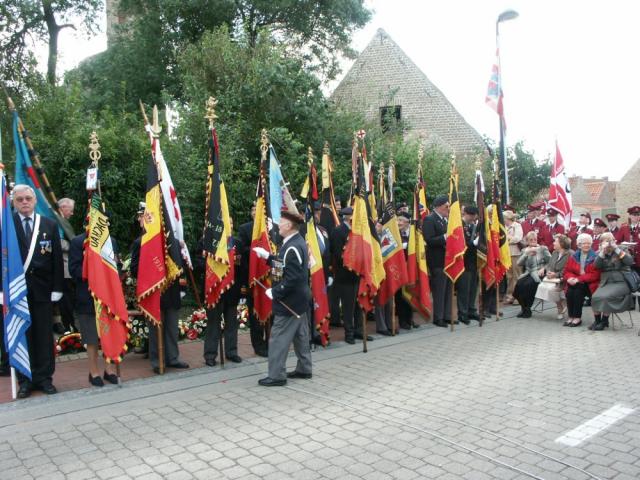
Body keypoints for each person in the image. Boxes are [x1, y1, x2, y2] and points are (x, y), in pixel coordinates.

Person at [12, 184, 64, 398]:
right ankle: (25, 381)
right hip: (17, 292)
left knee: (43, 335)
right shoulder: (6, 225)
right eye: (19, 199)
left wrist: (57, 288)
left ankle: (44, 378)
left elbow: (57, 259)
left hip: (43, 290)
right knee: (23, 336)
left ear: (34, 200)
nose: (24, 202)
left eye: (28, 198)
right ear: (13, 202)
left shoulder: (49, 225)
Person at [254, 210, 312, 387]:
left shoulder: (292, 247)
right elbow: (283, 265)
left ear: (288, 225)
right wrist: (268, 257)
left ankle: (276, 375)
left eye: (281, 222)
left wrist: (276, 292)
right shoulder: (295, 242)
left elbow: (292, 278)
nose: (278, 225)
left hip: (289, 302)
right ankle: (304, 368)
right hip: (299, 300)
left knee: (278, 338)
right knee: (301, 335)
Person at [130, 205, 189, 374]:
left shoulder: (174, 242)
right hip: (153, 292)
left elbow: (181, 266)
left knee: (171, 327)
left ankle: (173, 358)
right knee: (155, 329)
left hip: (171, 291)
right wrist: (151, 270)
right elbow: (134, 269)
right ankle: (157, 360)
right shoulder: (140, 242)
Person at [68, 231, 119, 386]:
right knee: (91, 338)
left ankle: (109, 370)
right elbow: (73, 269)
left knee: (109, 336)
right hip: (87, 297)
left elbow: (117, 266)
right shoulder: (78, 242)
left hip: (108, 297)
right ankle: (93, 372)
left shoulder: (111, 241)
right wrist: (94, 270)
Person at [196, 220, 243, 367]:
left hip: (232, 290)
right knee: (213, 324)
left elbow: (242, 266)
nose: (229, 226)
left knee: (232, 323)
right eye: (226, 223)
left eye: (231, 223)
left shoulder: (237, 243)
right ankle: (210, 355)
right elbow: (198, 263)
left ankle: (232, 352)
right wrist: (214, 266)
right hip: (214, 289)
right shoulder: (206, 242)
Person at [329, 206, 373, 343]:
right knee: (348, 306)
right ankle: (349, 333)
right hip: (346, 275)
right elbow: (338, 254)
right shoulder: (338, 231)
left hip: (359, 274)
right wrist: (354, 262)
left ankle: (359, 331)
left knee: (359, 304)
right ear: (348, 217)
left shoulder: (359, 231)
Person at [236, 203, 268, 357]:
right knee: (255, 313)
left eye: (258, 209)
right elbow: (241, 250)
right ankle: (258, 345)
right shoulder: (245, 228)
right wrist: (257, 249)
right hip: (253, 278)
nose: (256, 212)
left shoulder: (270, 227)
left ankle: (270, 342)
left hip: (269, 277)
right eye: (253, 209)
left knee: (270, 311)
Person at [590, 232, 634, 330]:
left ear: (614, 241)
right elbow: (596, 266)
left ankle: (605, 320)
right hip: (606, 282)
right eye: (606, 241)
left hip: (621, 281)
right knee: (595, 297)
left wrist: (616, 249)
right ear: (601, 243)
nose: (609, 243)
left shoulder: (622, 249)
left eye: (611, 240)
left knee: (606, 297)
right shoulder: (600, 253)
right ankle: (597, 321)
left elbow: (629, 261)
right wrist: (602, 252)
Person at [423, 194, 451, 327]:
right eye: (446, 206)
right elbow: (429, 239)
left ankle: (447, 315)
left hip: (448, 259)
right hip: (437, 260)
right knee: (439, 290)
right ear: (439, 206)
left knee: (448, 289)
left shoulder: (445, 220)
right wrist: (445, 237)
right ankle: (438, 318)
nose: (448, 209)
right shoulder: (430, 219)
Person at [563, 233, 600, 327]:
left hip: (590, 284)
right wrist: (570, 278)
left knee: (577, 292)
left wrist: (578, 279)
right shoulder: (574, 256)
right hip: (576, 282)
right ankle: (571, 316)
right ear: (579, 245)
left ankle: (577, 318)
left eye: (588, 243)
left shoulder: (595, 256)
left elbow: (595, 275)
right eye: (584, 243)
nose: (586, 245)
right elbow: (567, 271)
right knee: (570, 291)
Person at [513, 231, 551, 318]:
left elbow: (550, 262)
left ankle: (527, 309)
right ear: (527, 241)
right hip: (528, 272)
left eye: (535, 239)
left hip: (538, 273)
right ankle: (524, 308)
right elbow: (519, 263)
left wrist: (543, 268)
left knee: (528, 285)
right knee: (519, 286)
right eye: (531, 240)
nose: (533, 241)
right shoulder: (524, 250)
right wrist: (526, 254)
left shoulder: (542, 249)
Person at [537, 234, 572, 320]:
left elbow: (567, 269)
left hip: (564, 278)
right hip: (553, 278)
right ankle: (561, 304)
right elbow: (550, 265)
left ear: (561, 244)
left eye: (555, 241)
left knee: (552, 290)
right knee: (542, 287)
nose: (553, 243)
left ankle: (560, 306)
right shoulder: (555, 252)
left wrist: (555, 275)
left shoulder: (570, 254)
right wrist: (547, 271)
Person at [55, 197, 76, 334]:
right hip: (62, 269)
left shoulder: (64, 223)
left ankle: (69, 324)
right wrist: (76, 244)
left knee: (68, 299)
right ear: (62, 208)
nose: (72, 213)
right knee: (65, 299)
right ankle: (68, 326)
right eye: (71, 210)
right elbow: (58, 243)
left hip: (67, 268)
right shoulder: (57, 223)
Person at [456, 206, 479, 324]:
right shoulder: (458, 225)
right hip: (463, 261)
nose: (473, 219)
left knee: (473, 288)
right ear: (466, 214)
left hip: (474, 261)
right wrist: (473, 243)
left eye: (474, 217)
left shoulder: (473, 226)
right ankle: (462, 313)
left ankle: (471, 310)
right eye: (472, 216)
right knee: (464, 289)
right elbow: (460, 243)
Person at [395, 212, 414, 329]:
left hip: (411, 270)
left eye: (401, 220)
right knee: (400, 297)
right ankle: (402, 321)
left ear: (408, 222)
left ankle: (410, 319)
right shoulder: (395, 234)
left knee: (411, 294)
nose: (399, 223)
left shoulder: (414, 234)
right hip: (398, 270)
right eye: (398, 220)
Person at [503, 210, 523, 304]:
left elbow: (517, 238)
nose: (503, 219)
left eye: (504, 218)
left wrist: (507, 239)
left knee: (517, 275)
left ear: (508, 218)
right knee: (509, 276)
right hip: (506, 253)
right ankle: (510, 295)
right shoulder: (503, 226)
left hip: (516, 253)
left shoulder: (517, 226)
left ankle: (518, 296)